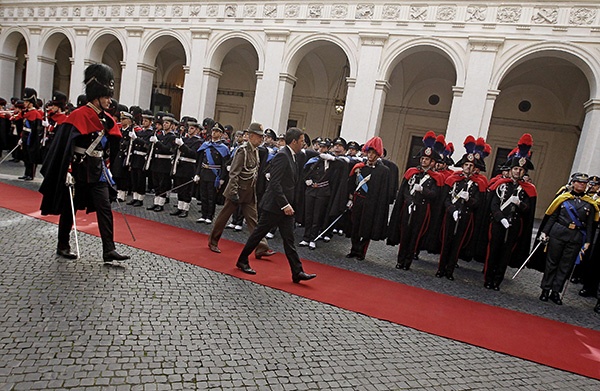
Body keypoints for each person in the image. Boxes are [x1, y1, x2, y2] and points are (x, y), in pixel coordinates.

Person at [39, 63, 130, 263]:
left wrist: (108, 164)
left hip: (97, 172)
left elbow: (110, 146)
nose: (109, 100)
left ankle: (109, 249)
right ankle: (63, 244)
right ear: (96, 96)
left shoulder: (107, 119)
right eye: (106, 97)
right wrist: (67, 169)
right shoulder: (78, 115)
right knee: (69, 208)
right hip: (78, 170)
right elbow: (66, 146)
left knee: (105, 208)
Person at [235, 127, 317, 283]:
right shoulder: (282, 156)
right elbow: (275, 183)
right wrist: (285, 204)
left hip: (284, 208)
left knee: (289, 240)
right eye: (301, 141)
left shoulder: (292, 156)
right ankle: (242, 260)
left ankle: (297, 271)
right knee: (258, 234)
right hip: (274, 206)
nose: (304, 144)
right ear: (293, 141)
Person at [208, 122, 275, 258]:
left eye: (262, 137)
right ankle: (213, 241)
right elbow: (234, 173)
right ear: (250, 136)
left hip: (248, 193)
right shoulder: (242, 151)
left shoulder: (256, 151)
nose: (261, 139)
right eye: (259, 136)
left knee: (253, 221)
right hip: (237, 191)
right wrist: (233, 192)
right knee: (223, 217)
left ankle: (261, 247)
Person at [484, 134, 537, 290]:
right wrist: (500, 218)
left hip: (514, 224)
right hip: (498, 223)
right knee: (493, 250)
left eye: (520, 169)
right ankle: (488, 278)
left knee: (506, 253)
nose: (517, 171)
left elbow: (528, 209)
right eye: (515, 168)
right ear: (511, 169)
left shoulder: (527, 189)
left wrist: (519, 203)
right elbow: (493, 204)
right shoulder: (501, 185)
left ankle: (497, 281)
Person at [539, 173, 599, 305]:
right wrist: (545, 232)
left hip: (575, 237)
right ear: (573, 183)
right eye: (579, 182)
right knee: (552, 263)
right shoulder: (563, 198)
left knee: (565, 265)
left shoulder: (590, 204)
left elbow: (590, 225)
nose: (582, 185)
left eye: (584, 183)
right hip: (558, 233)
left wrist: (588, 241)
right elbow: (552, 216)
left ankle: (556, 291)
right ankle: (545, 289)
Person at [387, 131, 444, 270]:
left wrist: (423, 191)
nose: (423, 161)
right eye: (422, 158)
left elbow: (435, 195)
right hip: (408, 206)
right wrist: (409, 199)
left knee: (415, 235)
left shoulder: (435, 177)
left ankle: (408, 261)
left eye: (426, 159)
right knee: (405, 233)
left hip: (423, 209)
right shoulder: (412, 172)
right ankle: (400, 260)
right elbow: (404, 190)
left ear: (432, 162)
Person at [436, 138, 483, 280]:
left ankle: (450, 270)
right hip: (451, 214)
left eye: (471, 165)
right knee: (446, 242)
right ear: (462, 165)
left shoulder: (476, 184)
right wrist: (452, 209)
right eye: (466, 164)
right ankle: (441, 269)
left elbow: (478, 204)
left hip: (466, 216)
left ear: (475, 168)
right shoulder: (454, 179)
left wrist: (469, 199)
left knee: (457, 244)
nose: (468, 167)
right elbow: (445, 199)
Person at [345, 137, 391, 260]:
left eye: (373, 153)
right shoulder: (359, 167)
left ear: (378, 155)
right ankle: (353, 249)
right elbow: (351, 184)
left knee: (366, 228)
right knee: (355, 226)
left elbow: (383, 191)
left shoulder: (384, 171)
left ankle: (361, 251)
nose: (370, 155)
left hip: (372, 203)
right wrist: (350, 198)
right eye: (369, 152)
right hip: (358, 200)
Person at [194, 122, 230, 223]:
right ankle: (203, 214)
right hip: (204, 172)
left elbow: (224, 164)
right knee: (203, 195)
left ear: (221, 134)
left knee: (211, 197)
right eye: (213, 131)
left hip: (214, 175)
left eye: (217, 131)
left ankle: (210, 216)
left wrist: (222, 177)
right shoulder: (206, 145)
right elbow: (200, 161)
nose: (214, 133)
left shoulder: (223, 148)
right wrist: (197, 173)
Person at [170, 118, 203, 218]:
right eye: (189, 128)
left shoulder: (198, 142)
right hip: (181, 165)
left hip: (190, 167)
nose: (189, 130)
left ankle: (185, 208)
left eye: (192, 128)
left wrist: (182, 145)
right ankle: (180, 207)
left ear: (197, 131)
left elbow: (193, 154)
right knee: (180, 188)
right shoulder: (184, 139)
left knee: (187, 189)